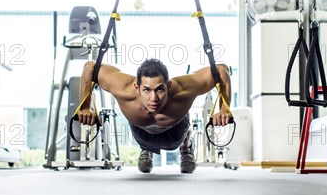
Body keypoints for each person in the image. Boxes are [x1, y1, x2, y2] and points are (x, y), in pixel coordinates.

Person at [77, 58, 232, 174]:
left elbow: (221, 69)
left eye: (159, 89)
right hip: (141, 131)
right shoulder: (123, 88)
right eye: (146, 90)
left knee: (179, 123)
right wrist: (85, 107)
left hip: (175, 131)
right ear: (136, 87)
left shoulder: (183, 89)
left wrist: (224, 109)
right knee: (142, 129)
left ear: (168, 86)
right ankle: (146, 149)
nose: (153, 98)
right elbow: (89, 67)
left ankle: (186, 146)